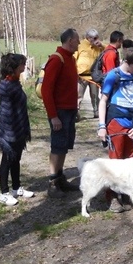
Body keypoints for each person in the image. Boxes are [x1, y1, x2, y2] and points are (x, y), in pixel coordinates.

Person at [97, 47, 133, 212]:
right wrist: (102, 126)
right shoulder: (113, 76)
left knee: (131, 161)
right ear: (128, 62)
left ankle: (125, 193)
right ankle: (111, 196)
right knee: (115, 161)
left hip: (132, 122)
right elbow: (103, 101)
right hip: (115, 121)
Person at [41, 28, 81, 198]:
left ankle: (60, 178)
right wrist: (53, 116)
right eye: (77, 40)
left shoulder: (70, 59)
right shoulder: (57, 60)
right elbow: (46, 90)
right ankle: (52, 182)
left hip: (69, 110)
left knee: (64, 145)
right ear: (70, 40)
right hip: (60, 112)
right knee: (57, 146)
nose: (79, 43)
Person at [0, 53, 34, 206]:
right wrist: (10, 133)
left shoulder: (15, 82)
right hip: (8, 131)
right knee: (7, 160)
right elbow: (7, 113)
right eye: (22, 65)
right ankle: (4, 192)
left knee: (16, 159)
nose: (24, 67)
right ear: (14, 67)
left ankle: (16, 188)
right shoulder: (6, 86)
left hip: (18, 129)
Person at [74, 29, 104, 120]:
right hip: (81, 75)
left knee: (95, 95)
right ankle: (76, 113)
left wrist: (101, 45)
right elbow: (73, 58)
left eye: (96, 38)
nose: (94, 40)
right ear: (88, 37)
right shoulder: (80, 45)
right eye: (93, 38)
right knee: (78, 96)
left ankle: (97, 112)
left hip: (93, 76)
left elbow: (109, 50)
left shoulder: (98, 47)